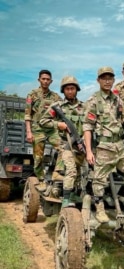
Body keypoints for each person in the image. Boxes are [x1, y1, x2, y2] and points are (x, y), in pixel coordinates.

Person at [83, 66, 124, 223]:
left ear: (113, 80)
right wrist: (89, 151)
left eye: (110, 78)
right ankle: (99, 209)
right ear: (98, 80)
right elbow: (87, 127)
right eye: (103, 78)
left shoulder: (117, 100)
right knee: (99, 180)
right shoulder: (93, 101)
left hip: (119, 145)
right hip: (104, 147)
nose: (107, 81)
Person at [39, 76, 86, 208]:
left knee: (79, 171)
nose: (70, 91)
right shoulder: (57, 107)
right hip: (66, 144)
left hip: (81, 144)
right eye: (67, 89)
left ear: (77, 90)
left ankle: (73, 194)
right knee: (70, 170)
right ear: (63, 91)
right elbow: (43, 121)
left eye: (72, 88)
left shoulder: (84, 107)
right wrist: (58, 124)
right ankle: (66, 198)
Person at [24, 69, 63, 192]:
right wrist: (29, 132)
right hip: (37, 130)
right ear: (39, 80)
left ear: (51, 81)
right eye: (43, 79)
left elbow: (63, 111)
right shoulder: (32, 95)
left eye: (48, 79)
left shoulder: (56, 97)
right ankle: (41, 180)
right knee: (38, 158)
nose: (45, 81)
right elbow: (27, 115)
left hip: (51, 129)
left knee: (63, 148)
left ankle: (57, 172)